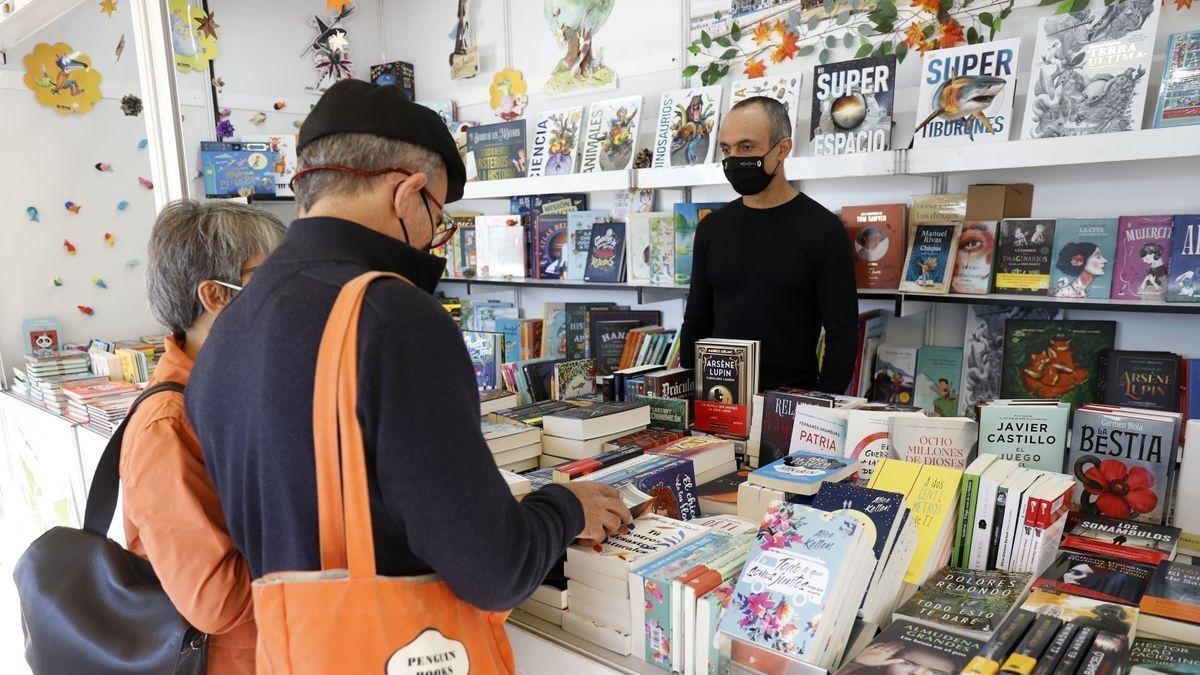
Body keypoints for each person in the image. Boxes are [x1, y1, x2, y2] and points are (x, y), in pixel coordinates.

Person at [186, 82, 629, 627]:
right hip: (399, 647)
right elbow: (495, 568)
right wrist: (568, 506)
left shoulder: (228, 322)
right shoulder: (391, 316)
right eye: (437, 218)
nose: (430, 240)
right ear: (407, 192)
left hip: (296, 648)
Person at [122, 200, 285, 675]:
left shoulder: (240, 380)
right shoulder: (168, 425)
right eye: (269, 278)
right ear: (216, 295)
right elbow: (216, 601)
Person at [680, 96, 858, 394]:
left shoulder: (824, 229)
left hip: (791, 403)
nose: (734, 158)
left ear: (783, 149)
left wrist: (821, 408)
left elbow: (843, 336)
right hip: (717, 400)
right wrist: (687, 394)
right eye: (727, 149)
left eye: (746, 147)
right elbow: (696, 322)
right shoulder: (711, 228)